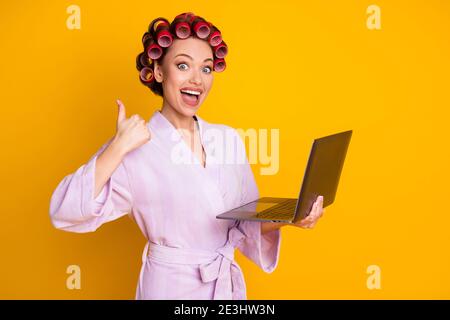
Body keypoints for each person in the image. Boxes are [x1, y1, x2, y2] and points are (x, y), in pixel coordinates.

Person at [49, 12, 325, 300]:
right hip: (170, 288)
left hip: (223, 287)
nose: (197, 80)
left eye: (206, 69)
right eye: (183, 65)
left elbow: (244, 225)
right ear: (158, 71)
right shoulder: (134, 146)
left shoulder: (227, 138)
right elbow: (65, 211)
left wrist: (291, 218)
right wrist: (117, 148)